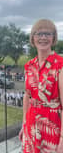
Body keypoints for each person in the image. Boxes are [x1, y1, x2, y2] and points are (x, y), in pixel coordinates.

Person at [19, 19, 63, 153]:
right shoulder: (29, 66)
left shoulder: (60, 65)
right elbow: (27, 96)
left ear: (53, 37)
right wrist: (23, 124)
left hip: (52, 127)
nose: (43, 37)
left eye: (48, 34)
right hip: (31, 124)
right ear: (33, 38)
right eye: (39, 34)